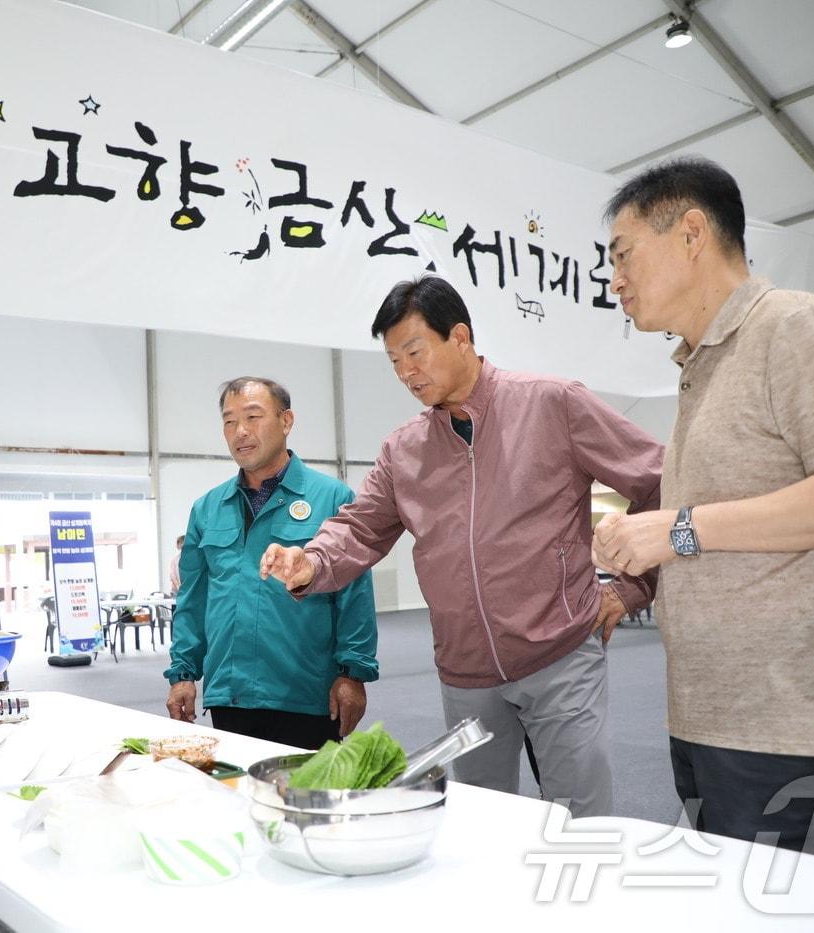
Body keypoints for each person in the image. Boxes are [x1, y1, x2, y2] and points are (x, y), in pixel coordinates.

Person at [591, 156, 814, 862]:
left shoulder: (792, 327)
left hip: (798, 737)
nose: (614, 278)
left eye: (623, 254)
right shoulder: (701, 368)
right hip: (716, 725)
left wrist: (676, 530)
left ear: (692, 233)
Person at [260, 275, 663, 817]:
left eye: (415, 352)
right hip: (466, 673)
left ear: (460, 338)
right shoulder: (404, 450)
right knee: (482, 825)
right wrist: (309, 560)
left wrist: (633, 588)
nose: (406, 372)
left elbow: (657, 478)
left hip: (560, 655)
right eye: (394, 361)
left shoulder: (551, 404)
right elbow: (359, 527)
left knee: (580, 822)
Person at [165, 377, 378, 748]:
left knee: (306, 801)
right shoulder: (207, 508)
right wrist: (182, 673)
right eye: (229, 421)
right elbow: (192, 600)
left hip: (306, 694)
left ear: (286, 421)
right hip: (229, 694)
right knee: (236, 799)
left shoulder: (331, 498)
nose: (240, 432)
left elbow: (354, 593)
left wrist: (352, 673)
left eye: (253, 417)